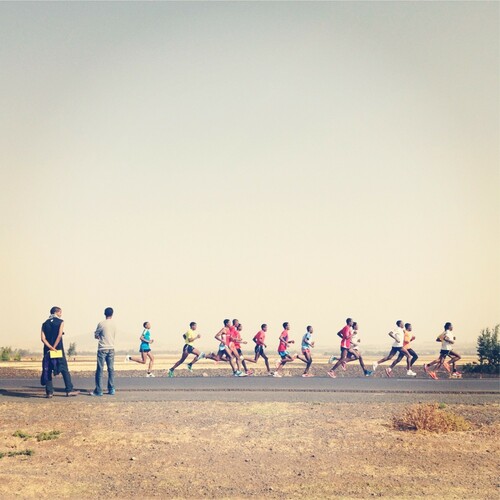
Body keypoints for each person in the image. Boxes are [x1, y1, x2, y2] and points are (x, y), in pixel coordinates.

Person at [40, 306, 79, 398]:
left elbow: (42, 338)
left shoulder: (44, 323)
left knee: (48, 369)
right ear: (57, 312)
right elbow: (59, 336)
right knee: (64, 369)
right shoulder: (61, 322)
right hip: (58, 350)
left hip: (47, 350)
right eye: (60, 312)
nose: (61, 314)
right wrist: (54, 347)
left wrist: (49, 347)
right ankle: (69, 390)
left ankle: (49, 392)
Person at [90, 307, 117, 396]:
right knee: (111, 369)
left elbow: (96, 335)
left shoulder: (101, 323)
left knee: (100, 369)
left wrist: (99, 337)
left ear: (104, 313)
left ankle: (99, 390)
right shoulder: (114, 324)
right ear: (112, 314)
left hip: (102, 348)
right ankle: (111, 389)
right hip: (111, 347)